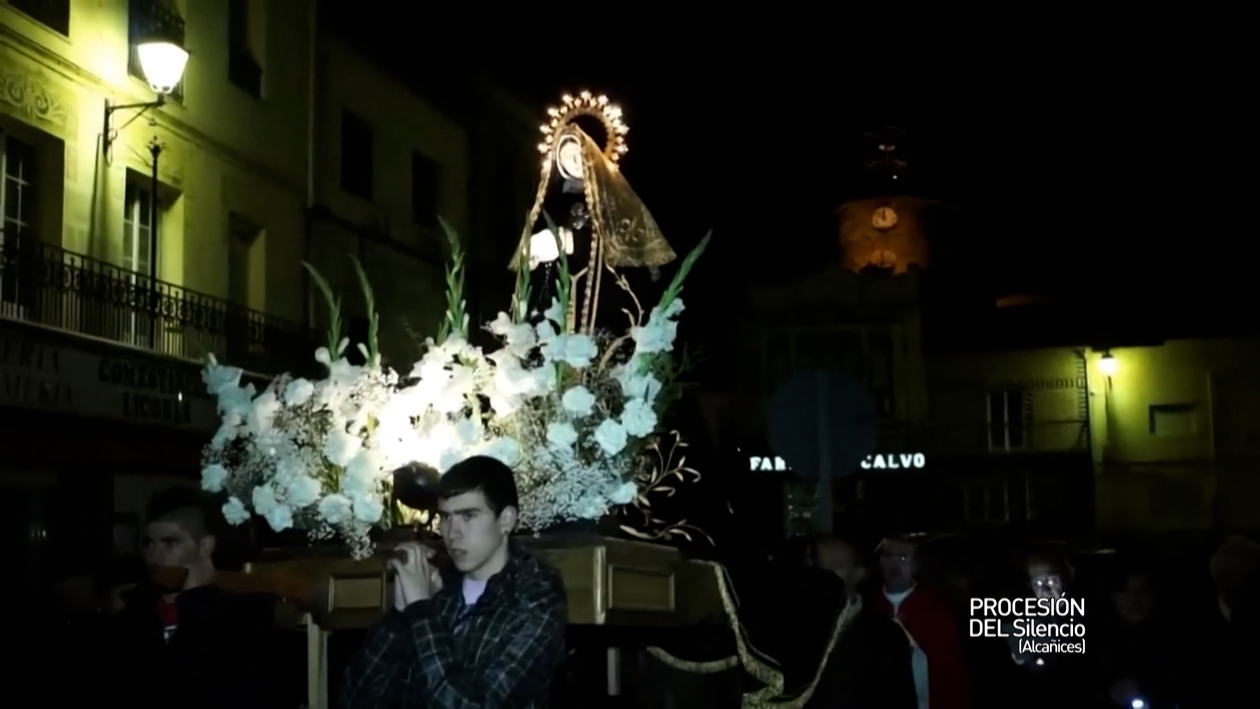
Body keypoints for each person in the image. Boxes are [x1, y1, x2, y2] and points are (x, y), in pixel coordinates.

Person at [341, 455, 567, 708]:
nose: (452, 533)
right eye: (446, 517)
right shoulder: (438, 581)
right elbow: (354, 699)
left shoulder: (536, 596)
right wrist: (399, 617)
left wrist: (421, 610)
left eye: (468, 516)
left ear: (506, 519)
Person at [110, 486, 279, 709]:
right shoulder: (133, 618)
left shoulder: (242, 617)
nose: (154, 555)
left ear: (205, 546)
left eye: (171, 542)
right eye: (149, 543)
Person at [807, 534, 917, 709]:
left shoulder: (886, 637)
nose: (822, 573)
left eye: (835, 565)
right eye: (818, 565)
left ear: (857, 574)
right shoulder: (794, 630)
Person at [867, 535, 974, 709]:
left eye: (903, 558)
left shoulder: (939, 611)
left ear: (917, 564)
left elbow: (953, 676)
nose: (895, 564)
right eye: (888, 557)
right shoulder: (867, 605)